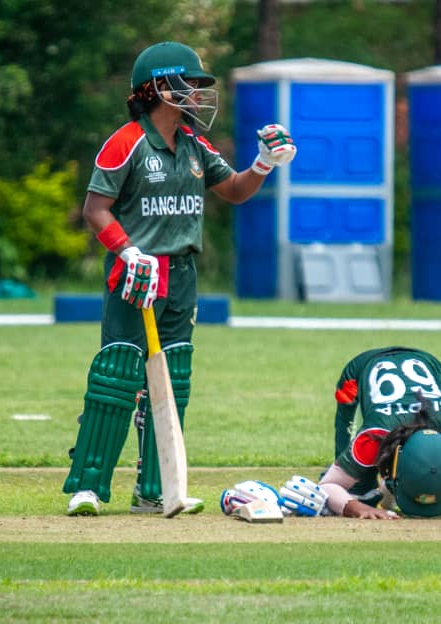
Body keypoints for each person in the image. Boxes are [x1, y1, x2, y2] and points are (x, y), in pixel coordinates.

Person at [62, 41, 296, 516]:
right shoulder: (125, 142)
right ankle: (87, 487)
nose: (195, 93)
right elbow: (96, 208)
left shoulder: (194, 146)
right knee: (117, 376)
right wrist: (127, 251)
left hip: (182, 276)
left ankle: (156, 490)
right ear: (157, 89)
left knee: (173, 380)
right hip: (136, 273)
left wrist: (264, 165)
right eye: (187, 84)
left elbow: (232, 190)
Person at [317, 346, 441, 520]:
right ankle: (366, 480)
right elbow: (327, 484)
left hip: (436, 368)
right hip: (364, 365)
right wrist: (356, 506)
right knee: (360, 491)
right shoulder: (372, 437)